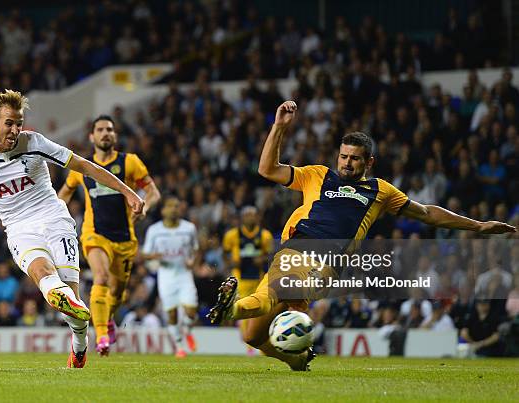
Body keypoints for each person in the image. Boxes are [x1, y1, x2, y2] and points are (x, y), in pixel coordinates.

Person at [207, 100, 517, 371]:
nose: (346, 163)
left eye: (354, 158)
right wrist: (279, 127)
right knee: (252, 335)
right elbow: (267, 170)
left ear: (368, 161)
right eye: (343, 156)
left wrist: (477, 226)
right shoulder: (316, 174)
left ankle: (231, 308)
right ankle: (293, 358)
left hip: (326, 259)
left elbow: (426, 213)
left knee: (278, 293)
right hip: (293, 248)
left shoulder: (379, 190)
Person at [0, 90, 144, 368]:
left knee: (72, 303)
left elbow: (85, 166)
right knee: (44, 274)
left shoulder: (34, 142)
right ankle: (64, 303)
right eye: (9, 123)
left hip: (54, 218)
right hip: (18, 227)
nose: (16, 129)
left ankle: (79, 343)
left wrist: (128, 192)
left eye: (19, 123)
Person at [58, 114, 160, 356]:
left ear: (115, 135)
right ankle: (101, 336)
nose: (106, 133)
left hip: (125, 237)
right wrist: (52, 218)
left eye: (110, 129)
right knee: (100, 277)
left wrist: (144, 205)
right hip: (95, 234)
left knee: (117, 292)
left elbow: (153, 192)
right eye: (101, 129)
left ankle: (109, 318)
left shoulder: (130, 162)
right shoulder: (81, 168)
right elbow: (63, 194)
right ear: (92, 136)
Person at [141, 196, 200, 358]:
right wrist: (154, 256)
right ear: (163, 210)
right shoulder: (155, 230)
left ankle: (187, 331)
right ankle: (179, 346)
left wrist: (192, 262)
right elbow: (145, 254)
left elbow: (196, 249)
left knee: (191, 311)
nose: (174, 209)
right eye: (170, 206)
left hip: (184, 274)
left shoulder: (189, 228)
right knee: (172, 314)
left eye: (177, 206)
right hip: (165, 276)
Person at [222, 206, 273, 341]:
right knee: (243, 307)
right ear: (242, 218)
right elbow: (225, 254)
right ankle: (247, 340)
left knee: (259, 309)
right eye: (247, 215)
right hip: (240, 278)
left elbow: (271, 256)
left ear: (257, 217)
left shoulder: (265, 235)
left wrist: (261, 259)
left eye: (253, 215)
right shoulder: (232, 235)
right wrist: (231, 263)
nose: (250, 217)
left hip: (259, 278)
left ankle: (255, 338)